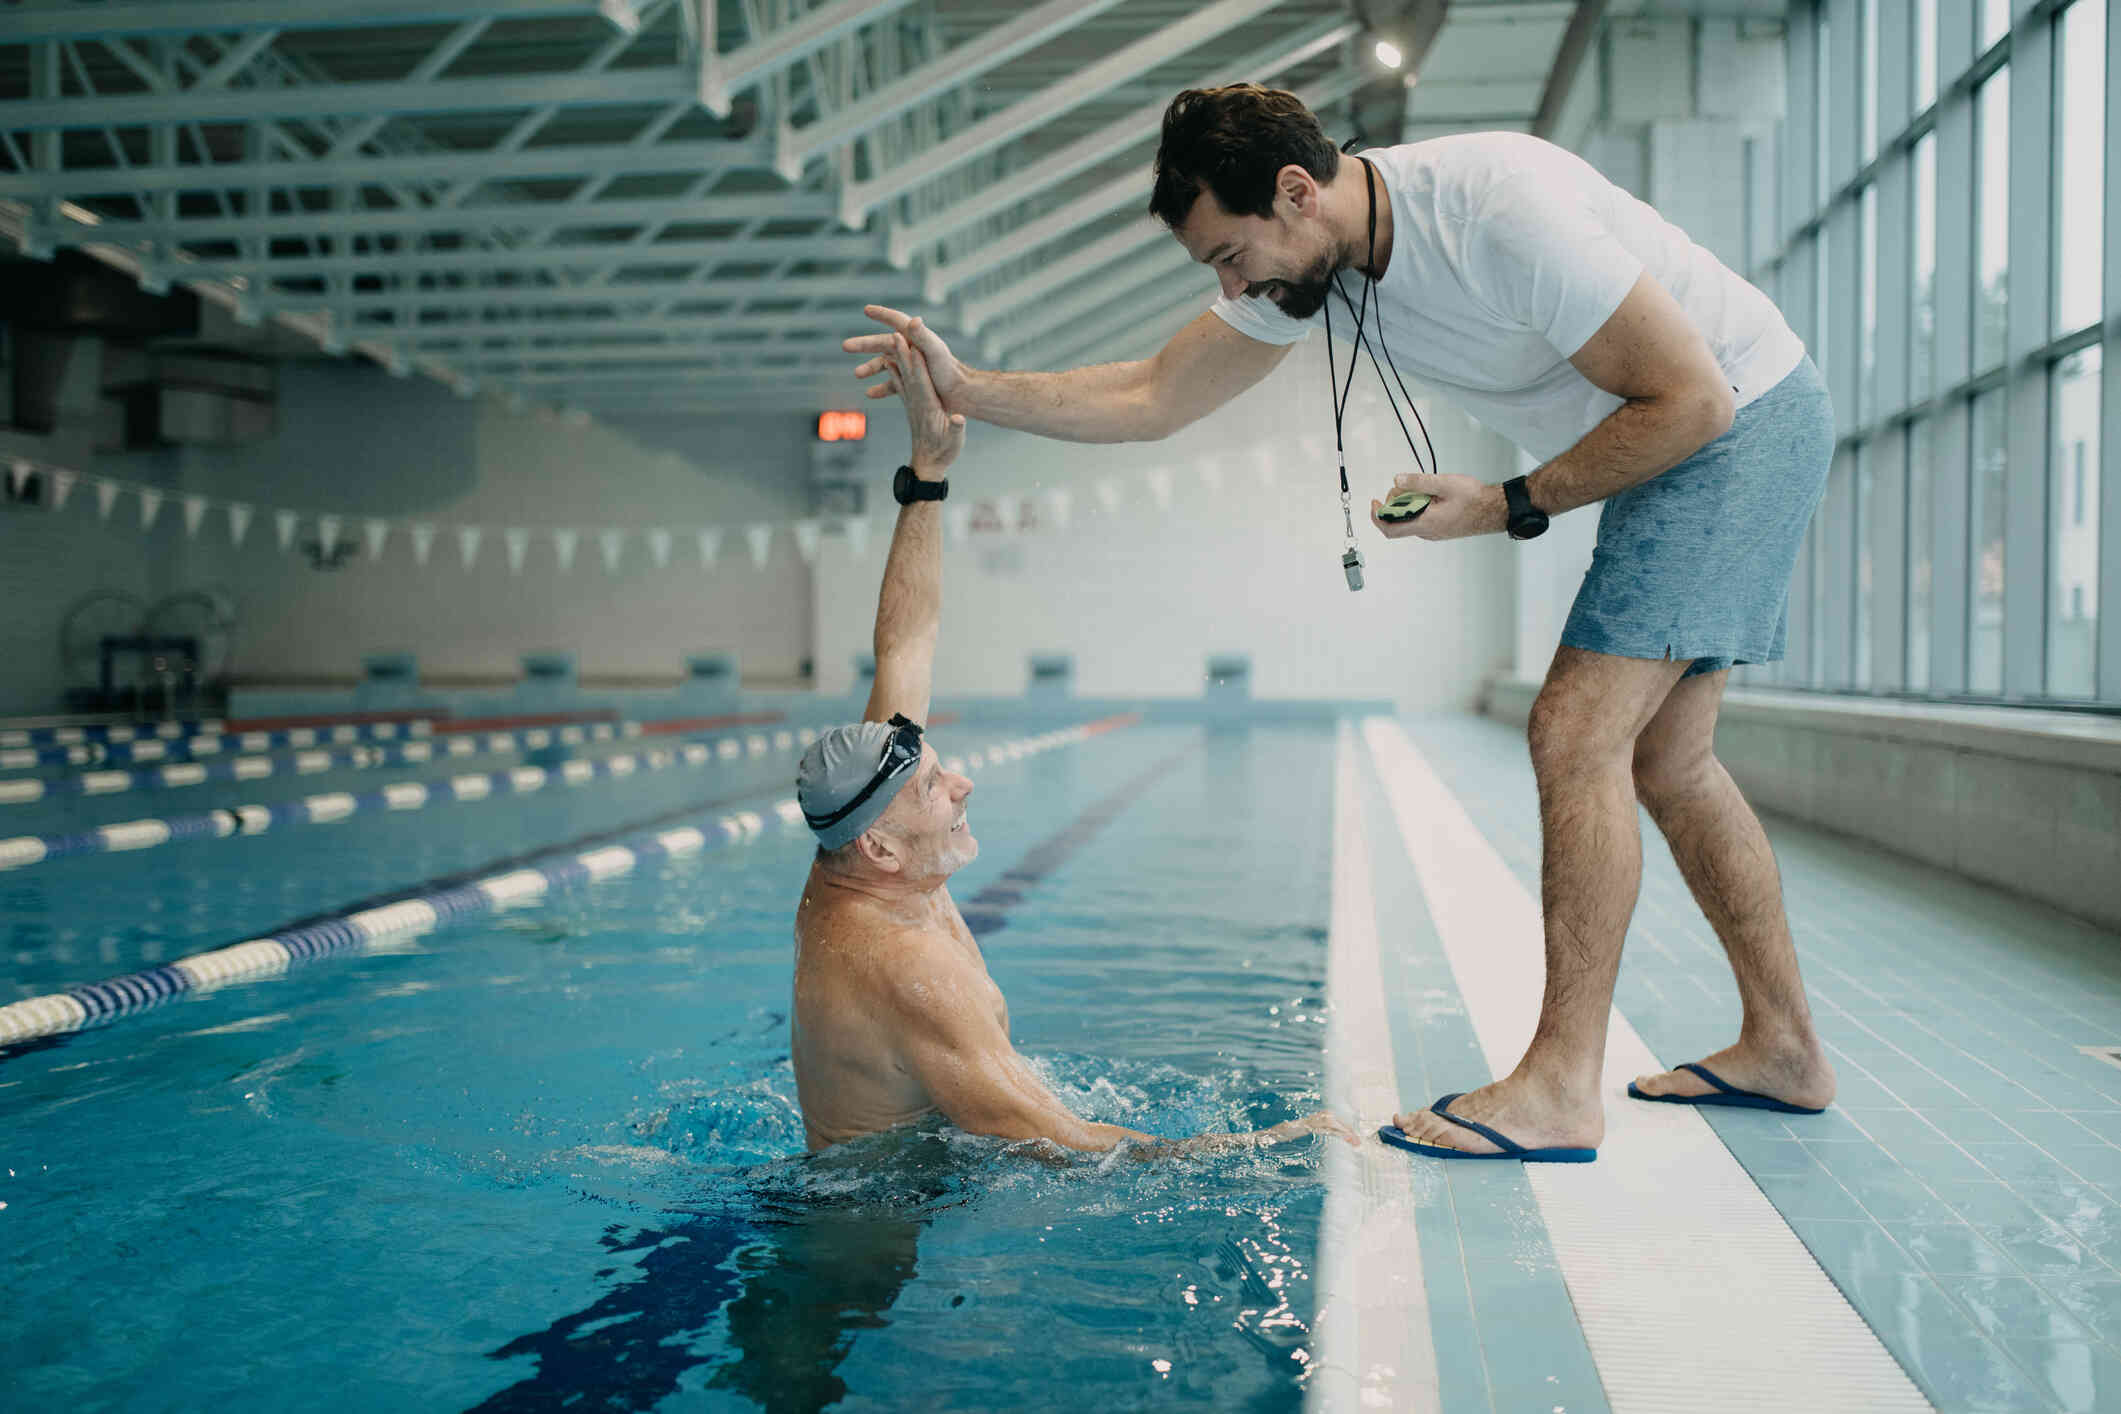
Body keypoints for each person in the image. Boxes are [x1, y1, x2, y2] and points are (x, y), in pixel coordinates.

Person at [841, 85, 1839, 1163]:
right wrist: (967, 390)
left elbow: (1694, 402)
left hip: (1733, 419)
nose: (1233, 287)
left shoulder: (1496, 210)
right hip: (1693, 432)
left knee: (1574, 732)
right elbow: (1153, 395)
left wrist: (1506, 501)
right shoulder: (1317, 262)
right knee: (1671, 761)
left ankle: (1558, 1086)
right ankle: (1784, 1046)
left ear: (1296, 191)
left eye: (1232, 256)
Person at [791, 328, 1354, 1157]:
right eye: (934, 790)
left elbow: (905, 641)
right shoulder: (906, 969)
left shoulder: (860, 849)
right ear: (877, 846)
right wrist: (1270, 1149)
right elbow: (1068, 1146)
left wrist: (930, 476)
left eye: (943, 772)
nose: (964, 786)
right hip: (878, 1222)